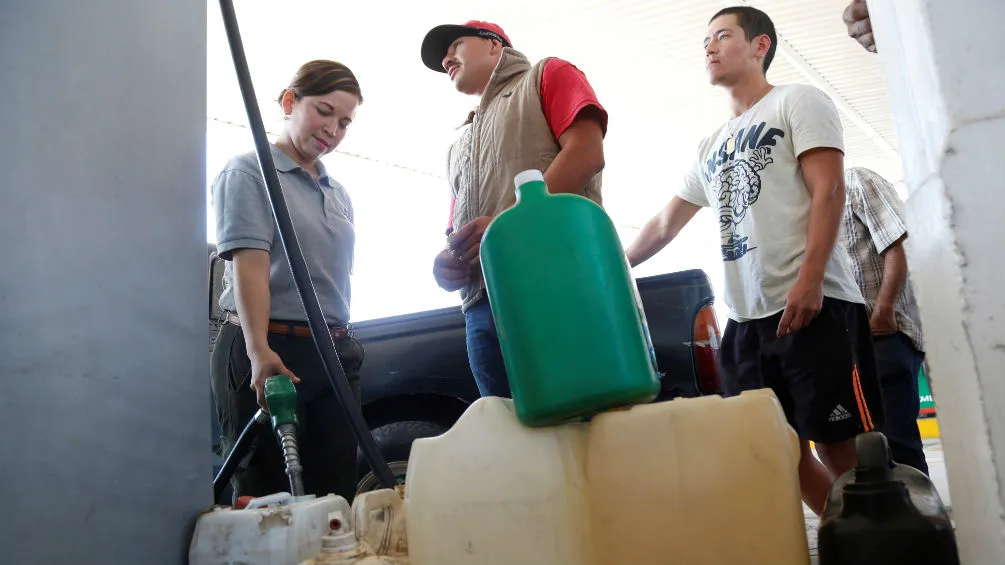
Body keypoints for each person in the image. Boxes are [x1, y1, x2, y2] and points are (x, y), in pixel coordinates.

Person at [624, 6, 885, 515]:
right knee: (773, 448)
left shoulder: (797, 101)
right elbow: (664, 224)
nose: (710, 47)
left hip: (814, 301)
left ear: (761, 46)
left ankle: (876, 536)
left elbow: (828, 189)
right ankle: (844, 534)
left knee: (837, 443)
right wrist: (610, 268)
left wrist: (810, 280)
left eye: (723, 36)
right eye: (706, 40)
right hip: (746, 319)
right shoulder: (710, 146)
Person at [420, 21, 608, 398]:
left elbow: (587, 152)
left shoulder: (547, 74)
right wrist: (447, 264)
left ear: (494, 46)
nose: (446, 60)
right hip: (480, 308)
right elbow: (456, 225)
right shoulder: (458, 146)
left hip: (553, 283)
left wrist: (507, 227)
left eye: (456, 44)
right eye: (444, 57)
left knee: (584, 420)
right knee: (514, 435)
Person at [210, 60, 366, 503]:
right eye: (324, 110)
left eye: (345, 122)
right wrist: (259, 352)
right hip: (270, 347)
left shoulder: (338, 193)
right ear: (289, 102)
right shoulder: (249, 172)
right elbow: (251, 266)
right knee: (269, 496)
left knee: (336, 494)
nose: (333, 129)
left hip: (332, 353)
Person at [841, 167, 929, 475]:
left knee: (897, 444)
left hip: (883, 334)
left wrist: (885, 307)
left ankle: (921, 520)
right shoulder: (801, 202)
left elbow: (896, 243)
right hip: (843, 343)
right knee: (861, 451)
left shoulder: (855, 181)